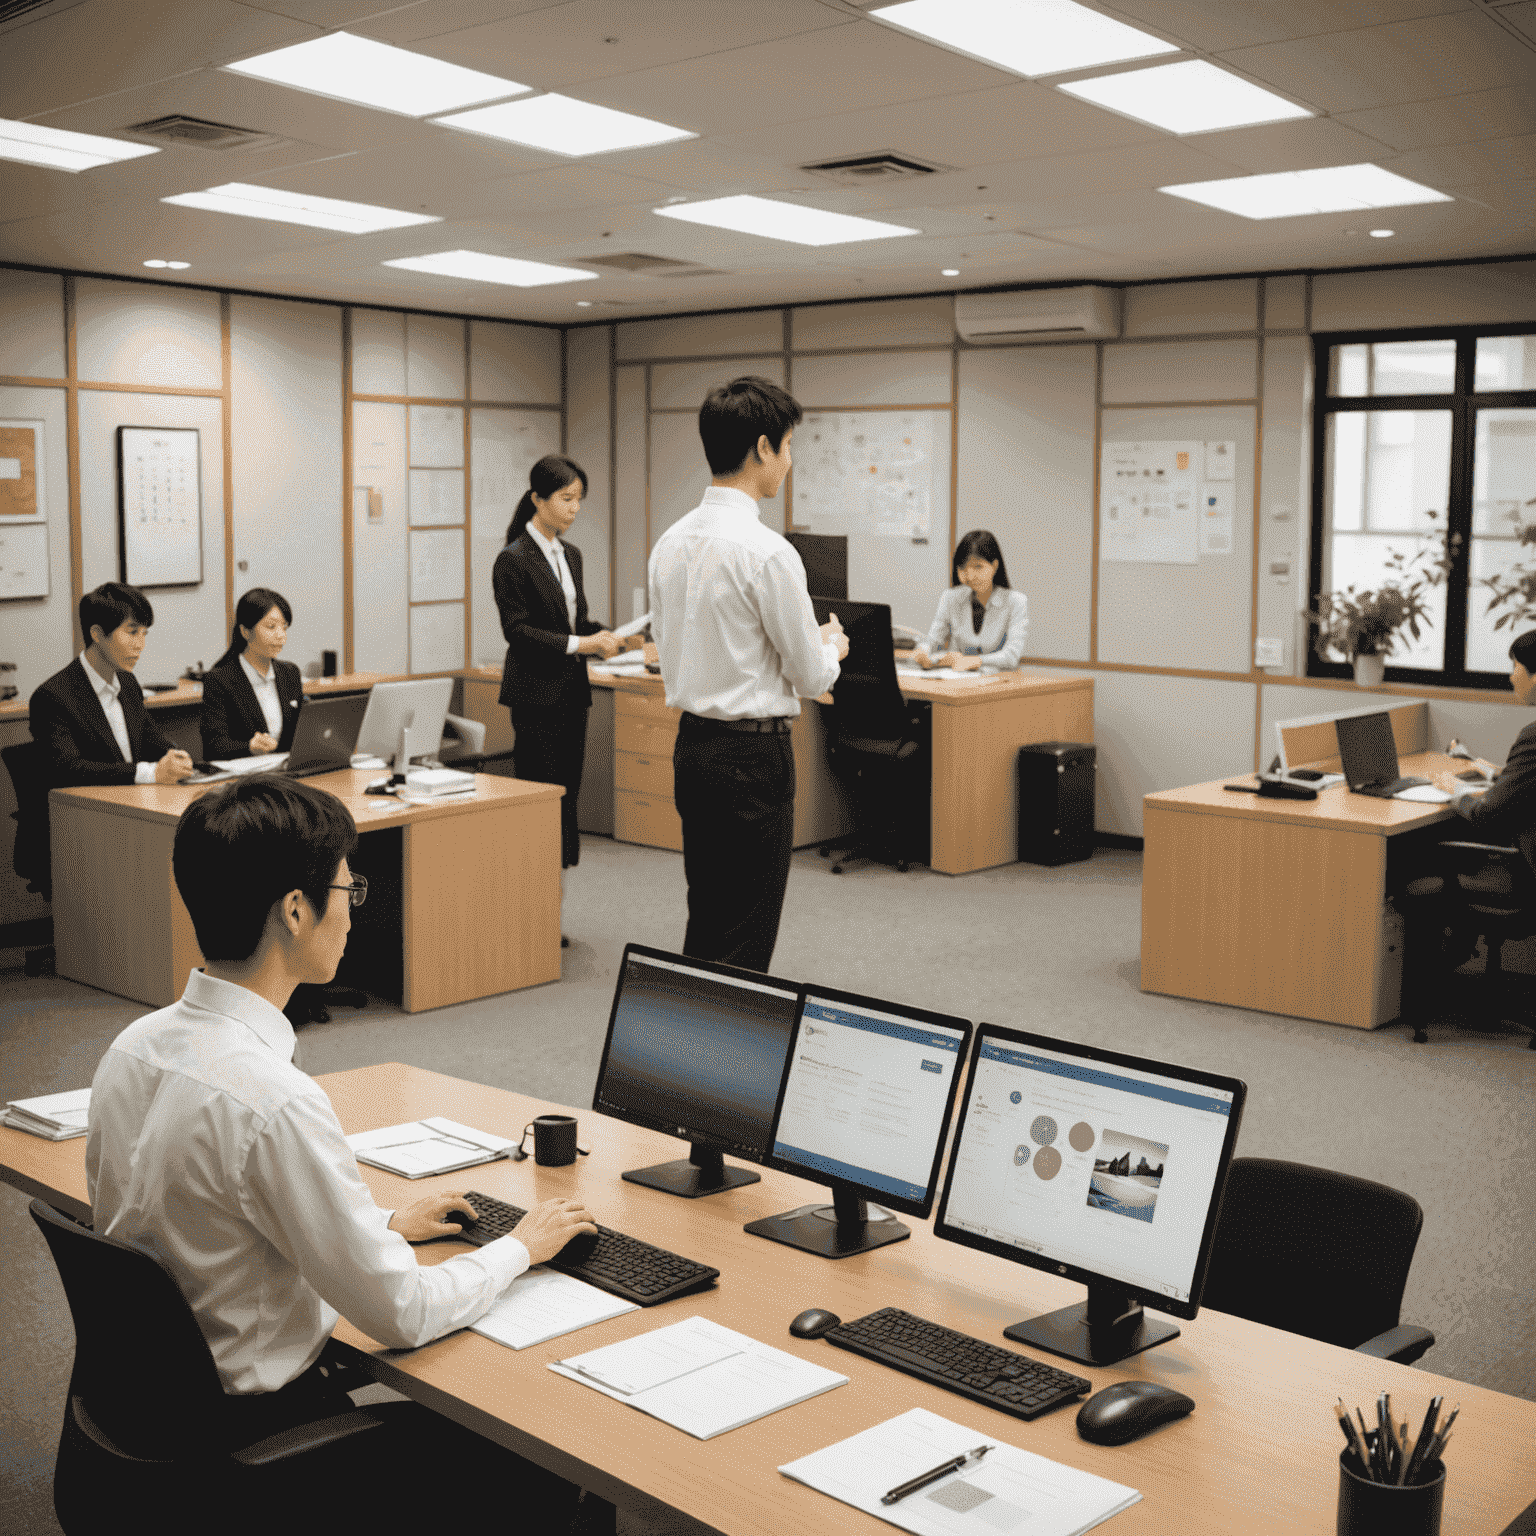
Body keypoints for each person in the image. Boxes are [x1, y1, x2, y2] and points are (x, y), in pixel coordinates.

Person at [85, 774, 603, 1528]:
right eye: (346, 887)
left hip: (160, 1416)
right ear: (296, 911)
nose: (354, 910)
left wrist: (382, 1225)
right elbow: (403, 1313)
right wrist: (521, 1248)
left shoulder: (133, 1048)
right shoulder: (273, 1100)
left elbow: (197, 1212)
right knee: (548, 1459)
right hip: (254, 1448)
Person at [648, 376, 848, 972]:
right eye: (787, 446)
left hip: (695, 747)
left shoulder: (670, 542)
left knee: (707, 914)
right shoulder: (766, 551)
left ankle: (687, 1053)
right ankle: (726, 1058)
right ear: (763, 447)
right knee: (747, 931)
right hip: (752, 758)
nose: (789, 461)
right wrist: (831, 645)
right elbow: (812, 677)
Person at [493, 455, 621, 934]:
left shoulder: (571, 556)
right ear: (537, 499)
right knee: (541, 799)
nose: (573, 509)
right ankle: (531, 911)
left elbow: (574, 624)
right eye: (566, 499)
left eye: (578, 500)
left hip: (572, 694)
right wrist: (581, 644)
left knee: (566, 800)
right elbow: (519, 632)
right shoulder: (513, 559)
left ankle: (552, 911)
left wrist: (608, 638)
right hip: (535, 696)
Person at [30, 581, 194, 786]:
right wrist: (148, 772)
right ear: (97, 634)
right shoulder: (53, 697)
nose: (140, 645)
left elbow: (151, 739)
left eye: (144, 634)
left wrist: (175, 756)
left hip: (132, 799)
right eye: (132, 632)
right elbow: (67, 769)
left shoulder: (127, 682)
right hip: (88, 810)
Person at [1430, 627, 1536, 871]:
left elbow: (1487, 816)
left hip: (1524, 865)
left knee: (1417, 851)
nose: (1511, 677)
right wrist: (1498, 774)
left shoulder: (1533, 737)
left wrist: (1454, 787)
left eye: (1515, 666)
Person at [200, 587, 305, 759]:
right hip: (246, 775)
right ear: (245, 632)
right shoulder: (219, 679)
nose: (281, 636)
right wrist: (249, 747)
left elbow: (301, 732)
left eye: (284, 627)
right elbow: (214, 746)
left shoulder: (290, 673)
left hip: (286, 772)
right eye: (271, 627)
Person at [912, 529, 1029, 672]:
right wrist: (924, 650)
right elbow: (934, 639)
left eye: (978, 566)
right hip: (956, 678)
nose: (970, 575)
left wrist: (977, 661)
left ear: (994, 566)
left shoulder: (1016, 601)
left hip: (999, 681)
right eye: (963, 568)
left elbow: (1011, 656)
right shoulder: (950, 597)